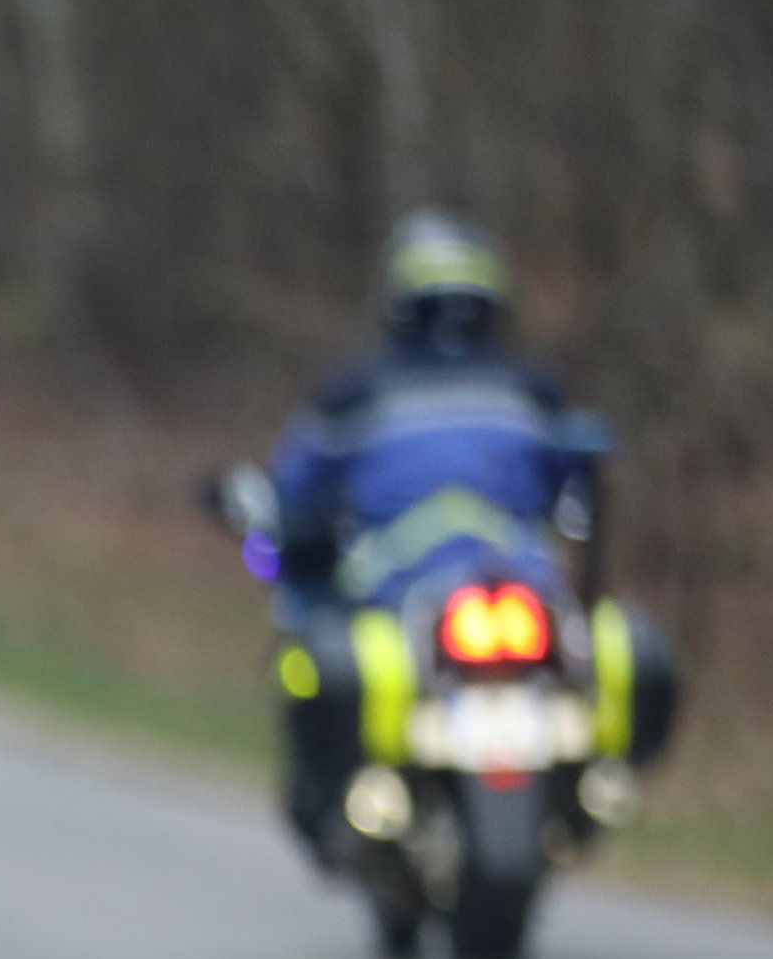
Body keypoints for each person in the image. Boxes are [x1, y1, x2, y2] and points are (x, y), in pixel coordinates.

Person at [252, 211, 615, 854]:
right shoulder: (533, 390)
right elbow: (578, 482)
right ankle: (583, 787)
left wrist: (276, 529)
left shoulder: (354, 394)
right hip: (525, 584)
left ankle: (342, 802)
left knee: (312, 655)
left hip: (398, 589)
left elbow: (291, 489)